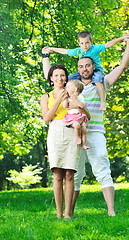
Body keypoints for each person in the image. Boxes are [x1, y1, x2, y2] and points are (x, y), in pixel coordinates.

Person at [42, 36, 129, 217]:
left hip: (95, 132)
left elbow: (122, 67)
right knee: (75, 174)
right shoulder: (71, 86)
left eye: (88, 66)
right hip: (72, 133)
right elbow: (51, 77)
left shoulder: (102, 83)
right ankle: (69, 213)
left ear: (94, 67)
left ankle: (111, 211)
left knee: (101, 167)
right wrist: (46, 56)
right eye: (81, 66)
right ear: (77, 69)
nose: (84, 69)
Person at [40, 63, 90, 219]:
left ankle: (68, 213)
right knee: (57, 175)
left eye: (62, 75)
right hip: (55, 132)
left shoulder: (74, 92)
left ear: (66, 77)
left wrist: (76, 102)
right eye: (56, 75)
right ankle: (59, 213)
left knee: (70, 173)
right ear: (50, 78)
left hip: (72, 132)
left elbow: (87, 115)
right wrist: (58, 100)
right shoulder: (45, 96)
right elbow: (47, 118)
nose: (59, 78)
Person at [46, 31, 129, 111]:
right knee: (68, 78)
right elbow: (65, 51)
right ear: (79, 43)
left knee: (98, 80)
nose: (85, 46)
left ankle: (102, 101)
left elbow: (108, 45)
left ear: (91, 41)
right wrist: (51, 49)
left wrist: (122, 38)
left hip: (97, 71)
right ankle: (66, 101)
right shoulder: (78, 51)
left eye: (87, 43)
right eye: (82, 43)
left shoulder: (95, 48)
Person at [63, 80, 90, 150]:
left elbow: (82, 106)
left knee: (84, 128)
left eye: (68, 87)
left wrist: (76, 101)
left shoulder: (80, 96)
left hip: (80, 116)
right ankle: (78, 138)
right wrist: (65, 99)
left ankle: (83, 144)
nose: (66, 88)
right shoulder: (67, 97)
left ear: (75, 89)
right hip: (72, 117)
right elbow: (65, 106)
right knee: (77, 125)